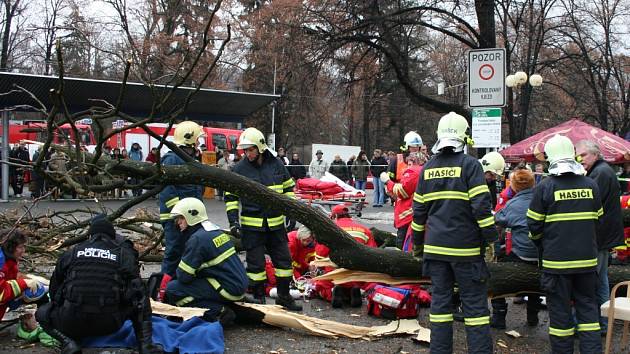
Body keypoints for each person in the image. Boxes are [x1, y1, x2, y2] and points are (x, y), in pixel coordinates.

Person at [412, 112, 497, 353]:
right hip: (466, 251)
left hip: (435, 251)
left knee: (439, 307)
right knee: (475, 309)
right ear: (464, 137)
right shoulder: (470, 166)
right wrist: (492, 241)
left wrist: (418, 246)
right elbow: (481, 207)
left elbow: (418, 215)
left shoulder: (427, 169)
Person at [35, 215, 163, 354]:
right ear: (113, 237)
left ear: (90, 236)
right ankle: (146, 346)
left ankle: (68, 343)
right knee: (140, 298)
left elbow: (54, 290)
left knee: (42, 312)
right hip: (109, 323)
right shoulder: (122, 255)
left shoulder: (72, 253)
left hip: (71, 321)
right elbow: (138, 294)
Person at [527, 135, 603, 354]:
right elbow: (598, 220)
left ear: (551, 158)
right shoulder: (591, 185)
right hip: (587, 263)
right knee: (589, 314)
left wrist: (542, 244)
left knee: (560, 318)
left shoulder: (545, 187)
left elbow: (533, 225)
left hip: (556, 265)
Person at [224, 127, 302, 311]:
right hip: (252, 228)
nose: (248, 154)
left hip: (276, 225)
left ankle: (283, 296)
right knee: (256, 265)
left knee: (284, 262)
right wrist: (233, 222)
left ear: (260, 147)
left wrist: (292, 212)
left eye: (250, 149)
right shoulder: (239, 169)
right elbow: (231, 198)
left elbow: (289, 189)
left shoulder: (276, 164)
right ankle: (259, 298)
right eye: (245, 150)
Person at [165, 198, 246, 325]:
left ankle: (218, 311)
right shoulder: (214, 230)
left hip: (228, 289)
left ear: (191, 216)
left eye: (181, 218)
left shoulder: (197, 239)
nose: (177, 222)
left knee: (173, 289)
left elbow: (183, 277)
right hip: (236, 284)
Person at [575, 139, 624, 334]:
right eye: (578, 156)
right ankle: (604, 323)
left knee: (594, 280)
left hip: (600, 236)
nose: (580, 159)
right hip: (603, 235)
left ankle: (596, 324)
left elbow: (588, 202)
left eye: (583, 155)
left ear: (595, 154)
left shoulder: (600, 173)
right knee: (601, 280)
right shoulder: (601, 170)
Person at [490, 169, 541, 329]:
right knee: (535, 282)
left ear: (514, 186)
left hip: (521, 254)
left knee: (496, 273)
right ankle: (533, 316)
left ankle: (499, 316)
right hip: (541, 255)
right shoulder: (541, 201)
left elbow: (498, 219)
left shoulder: (512, 204)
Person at [158, 121, 205, 287]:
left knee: (188, 253)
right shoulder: (171, 159)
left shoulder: (189, 159)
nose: (199, 143)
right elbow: (166, 189)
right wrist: (179, 216)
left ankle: (179, 286)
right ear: (189, 140)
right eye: (197, 139)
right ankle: (163, 289)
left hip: (189, 218)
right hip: (176, 220)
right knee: (174, 253)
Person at [313, 205, 377, 308]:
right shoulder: (364, 230)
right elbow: (373, 254)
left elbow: (320, 257)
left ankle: (334, 294)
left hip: (335, 273)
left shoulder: (329, 230)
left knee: (320, 287)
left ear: (334, 216)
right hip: (357, 273)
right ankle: (355, 291)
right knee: (367, 283)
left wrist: (318, 269)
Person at [381, 136, 425, 250]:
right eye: (412, 146)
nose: (415, 149)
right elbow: (392, 179)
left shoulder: (420, 165)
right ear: (406, 146)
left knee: (407, 243)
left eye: (417, 147)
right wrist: (390, 190)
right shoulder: (397, 160)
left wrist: (388, 183)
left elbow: (401, 189)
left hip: (410, 209)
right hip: (401, 204)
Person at [0, 229, 44, 320]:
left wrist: (29, 279)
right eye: (21, 247)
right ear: (10, 247)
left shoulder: (8, 259)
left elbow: (9, 278)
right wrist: (24, 284)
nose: (24, 250)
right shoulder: (1, 262)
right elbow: (1, 293)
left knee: (39, 292)